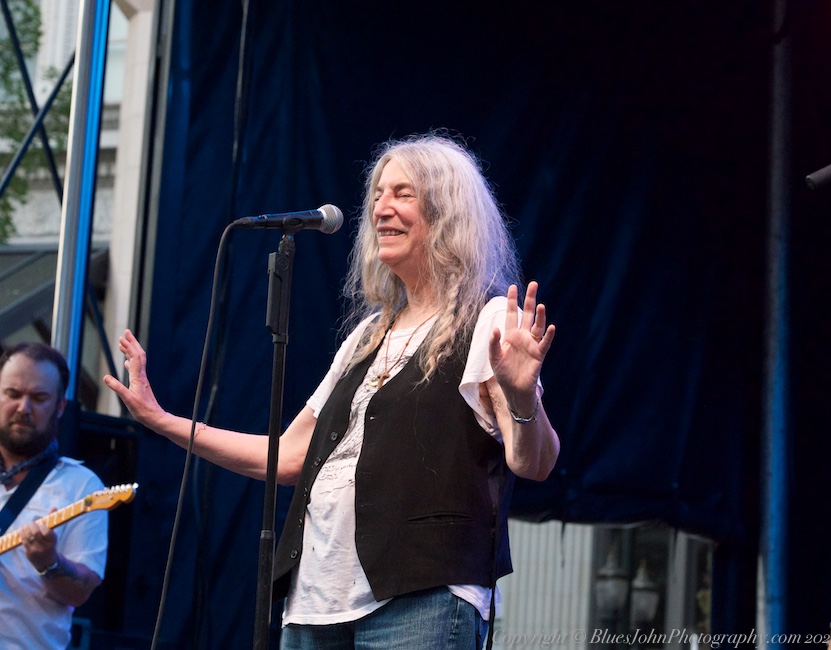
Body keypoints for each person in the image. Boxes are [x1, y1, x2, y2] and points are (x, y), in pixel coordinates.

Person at [104, 132, 560, 649]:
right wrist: (163, 419)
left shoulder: (488, 318)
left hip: (421, 598)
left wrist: (522, 399)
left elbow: (535, 463)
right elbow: (289, 455)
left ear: (448, 211)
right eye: (377, 196)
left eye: (403, 194)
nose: (381, 209)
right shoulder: (368, 336)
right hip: (315, 603)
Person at [0, 342, 108, 649]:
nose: (23, 407)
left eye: (38, 397)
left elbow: (80, 593)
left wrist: (49, 562)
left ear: (60, 406)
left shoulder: (82, 487)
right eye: (12, 394)